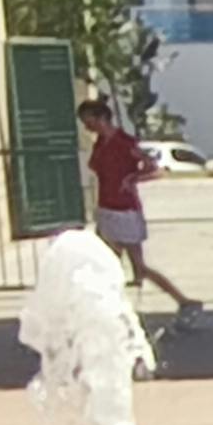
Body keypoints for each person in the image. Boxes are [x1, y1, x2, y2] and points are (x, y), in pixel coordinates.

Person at [83, 100, 200, 318]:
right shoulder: (100, 143)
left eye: (89, 121)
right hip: (106, 207)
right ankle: (106, 312)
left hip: (125, 209)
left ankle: (183, 300)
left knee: (139, 268)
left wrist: (133, 178)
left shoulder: (124, 143)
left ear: (102, 118)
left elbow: (154, 169)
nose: (87, 127)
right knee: (108, 264)